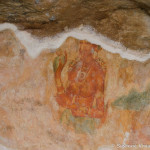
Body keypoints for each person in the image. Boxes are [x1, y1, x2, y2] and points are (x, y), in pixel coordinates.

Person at [53, 40, 107, 122]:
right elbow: (64, 100)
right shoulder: (74, 66)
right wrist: (58, 74)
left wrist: (80, 109)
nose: (83, 47)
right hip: (68, 119)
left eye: (87, 43)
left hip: (86, 123)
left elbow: (100, 112)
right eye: (81, 43)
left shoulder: (97, 71)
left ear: (94, 47)